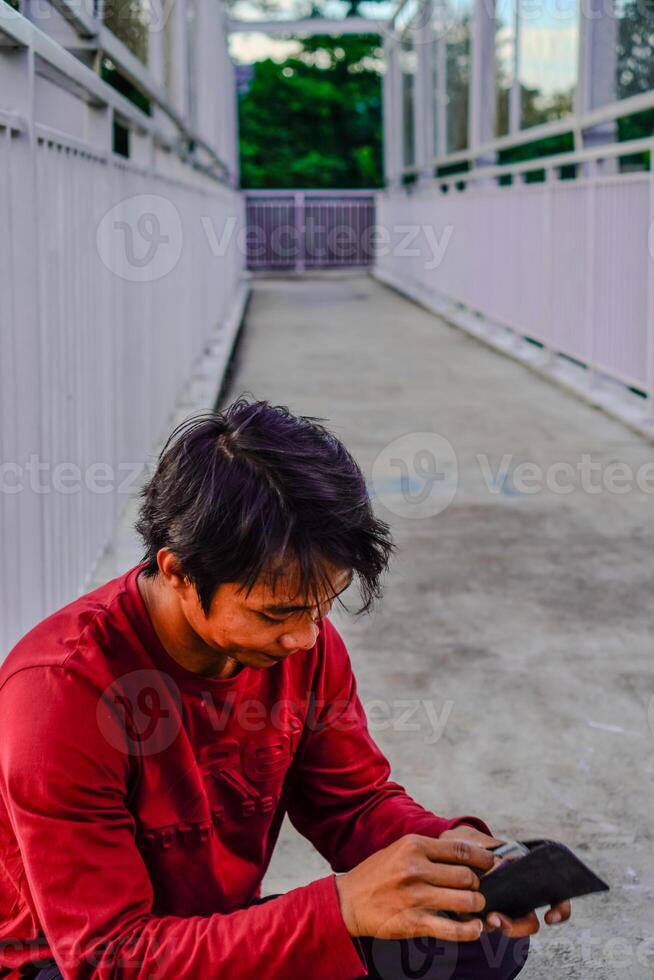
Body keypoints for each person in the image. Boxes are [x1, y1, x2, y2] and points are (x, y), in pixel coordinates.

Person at [0, 398, 570, 979]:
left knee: (469, 936)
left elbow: (353, 805)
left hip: (211, 935)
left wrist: (456, 854)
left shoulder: (305, 646)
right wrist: (341, 907)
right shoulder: (60, 694)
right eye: (277, 614)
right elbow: (110, 959)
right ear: (176, 572)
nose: (304, 637)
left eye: (322, 607)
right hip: (69, 962)